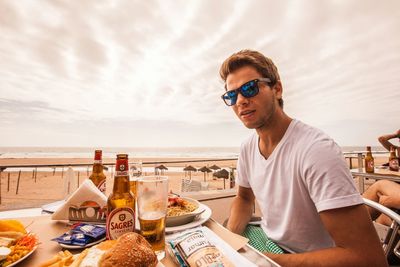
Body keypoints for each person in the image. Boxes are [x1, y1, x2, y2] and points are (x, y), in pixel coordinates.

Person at [219, 49, 387, 266]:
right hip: (271, 240)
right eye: (231, 95)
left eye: (249, 88)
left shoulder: (316, 150)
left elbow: (368, 258)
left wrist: (267, 261)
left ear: (277, 89)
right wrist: (229, 241)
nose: (240, 100)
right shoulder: (247, 148)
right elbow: (243, 198)